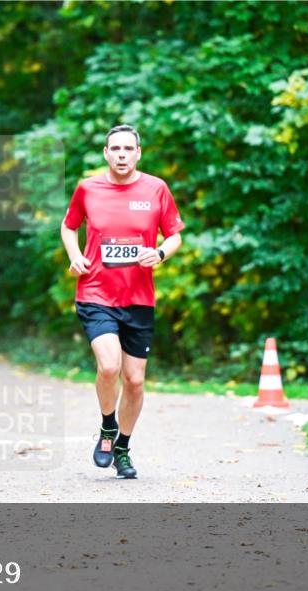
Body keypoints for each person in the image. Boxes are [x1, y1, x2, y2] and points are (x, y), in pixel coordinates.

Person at [61, 125, 184, 479]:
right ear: (105, 153)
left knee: (134, 382)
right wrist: (75, 255)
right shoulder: (88, 188)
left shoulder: (156, 188)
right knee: (110, 366)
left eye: (128, 148)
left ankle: (123, 449)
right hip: (95, 293)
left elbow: (174, 235)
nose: (121, 154)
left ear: (138, 153)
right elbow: (69, 226)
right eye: (115, 148)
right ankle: (106, 426)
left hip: (139, 299)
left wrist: (159, 253)